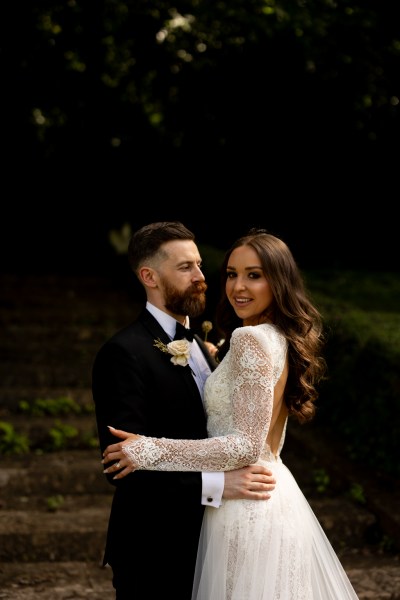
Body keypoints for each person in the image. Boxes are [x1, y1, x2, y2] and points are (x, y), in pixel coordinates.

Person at [102, 228, 360, 599]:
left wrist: (149, 449)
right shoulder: (261, 339)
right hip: (264, 498)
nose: (236, 286)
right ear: (150, 276)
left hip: (247, 506)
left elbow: (245, 446)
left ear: (279, 281)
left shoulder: (250, 339)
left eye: (254, 275)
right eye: (233, 274)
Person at [92, 221, 276, 600]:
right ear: (149, 276)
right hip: (155, 546)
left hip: (217, 537)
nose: (200, 277)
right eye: (185, 267)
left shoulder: (209, 345)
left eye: (200, 265)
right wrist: (218, 484)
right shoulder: (123, 353)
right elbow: (123, 467)